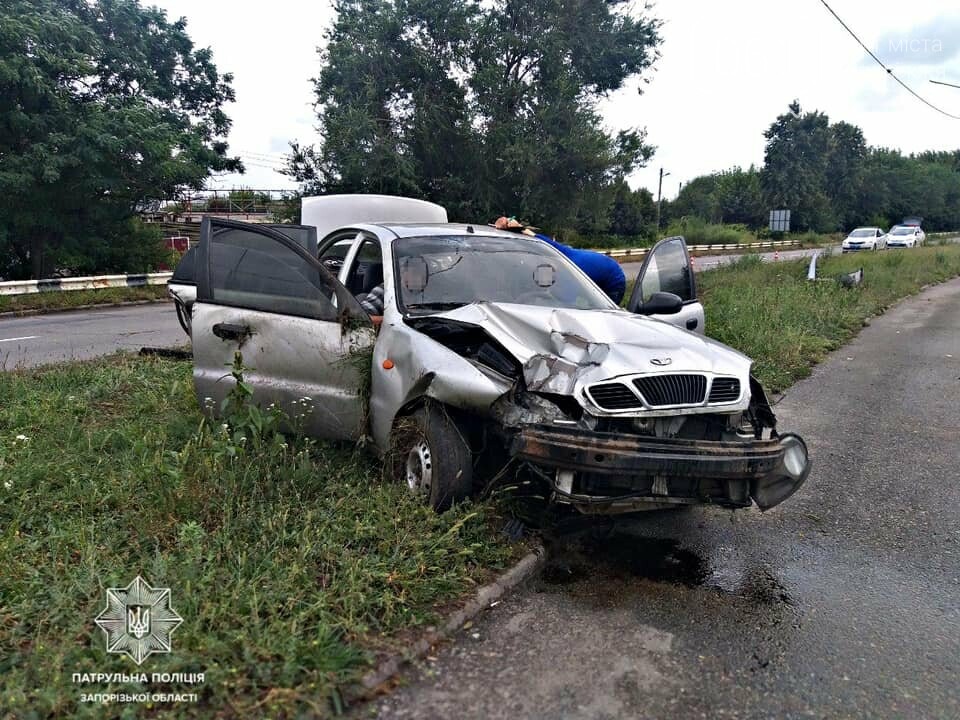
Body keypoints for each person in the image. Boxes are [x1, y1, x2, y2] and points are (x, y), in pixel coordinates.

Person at [494, 217, 627, 304]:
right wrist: (519, 229)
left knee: (603, 314)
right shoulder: (558, 253)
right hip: (600, 272)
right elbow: (540, 240)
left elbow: (566, 305)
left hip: (614, 281)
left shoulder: (570, 272)